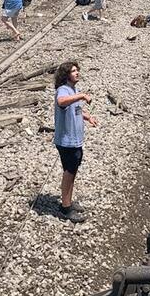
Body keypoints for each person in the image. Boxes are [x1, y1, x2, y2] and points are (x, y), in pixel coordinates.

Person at [53, 61, 98, 223]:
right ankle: (65, 208)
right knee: (69, 172)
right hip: (66, 141)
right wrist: (81, 96)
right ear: (66, 75)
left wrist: (88, 117)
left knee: (73, 171)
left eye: (77, 70)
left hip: (75, 140)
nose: (77, 72)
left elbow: (75, 109)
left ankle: (68, 202)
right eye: (73, 71)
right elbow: (61, 102)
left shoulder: (73, 90)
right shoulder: (63, 90)